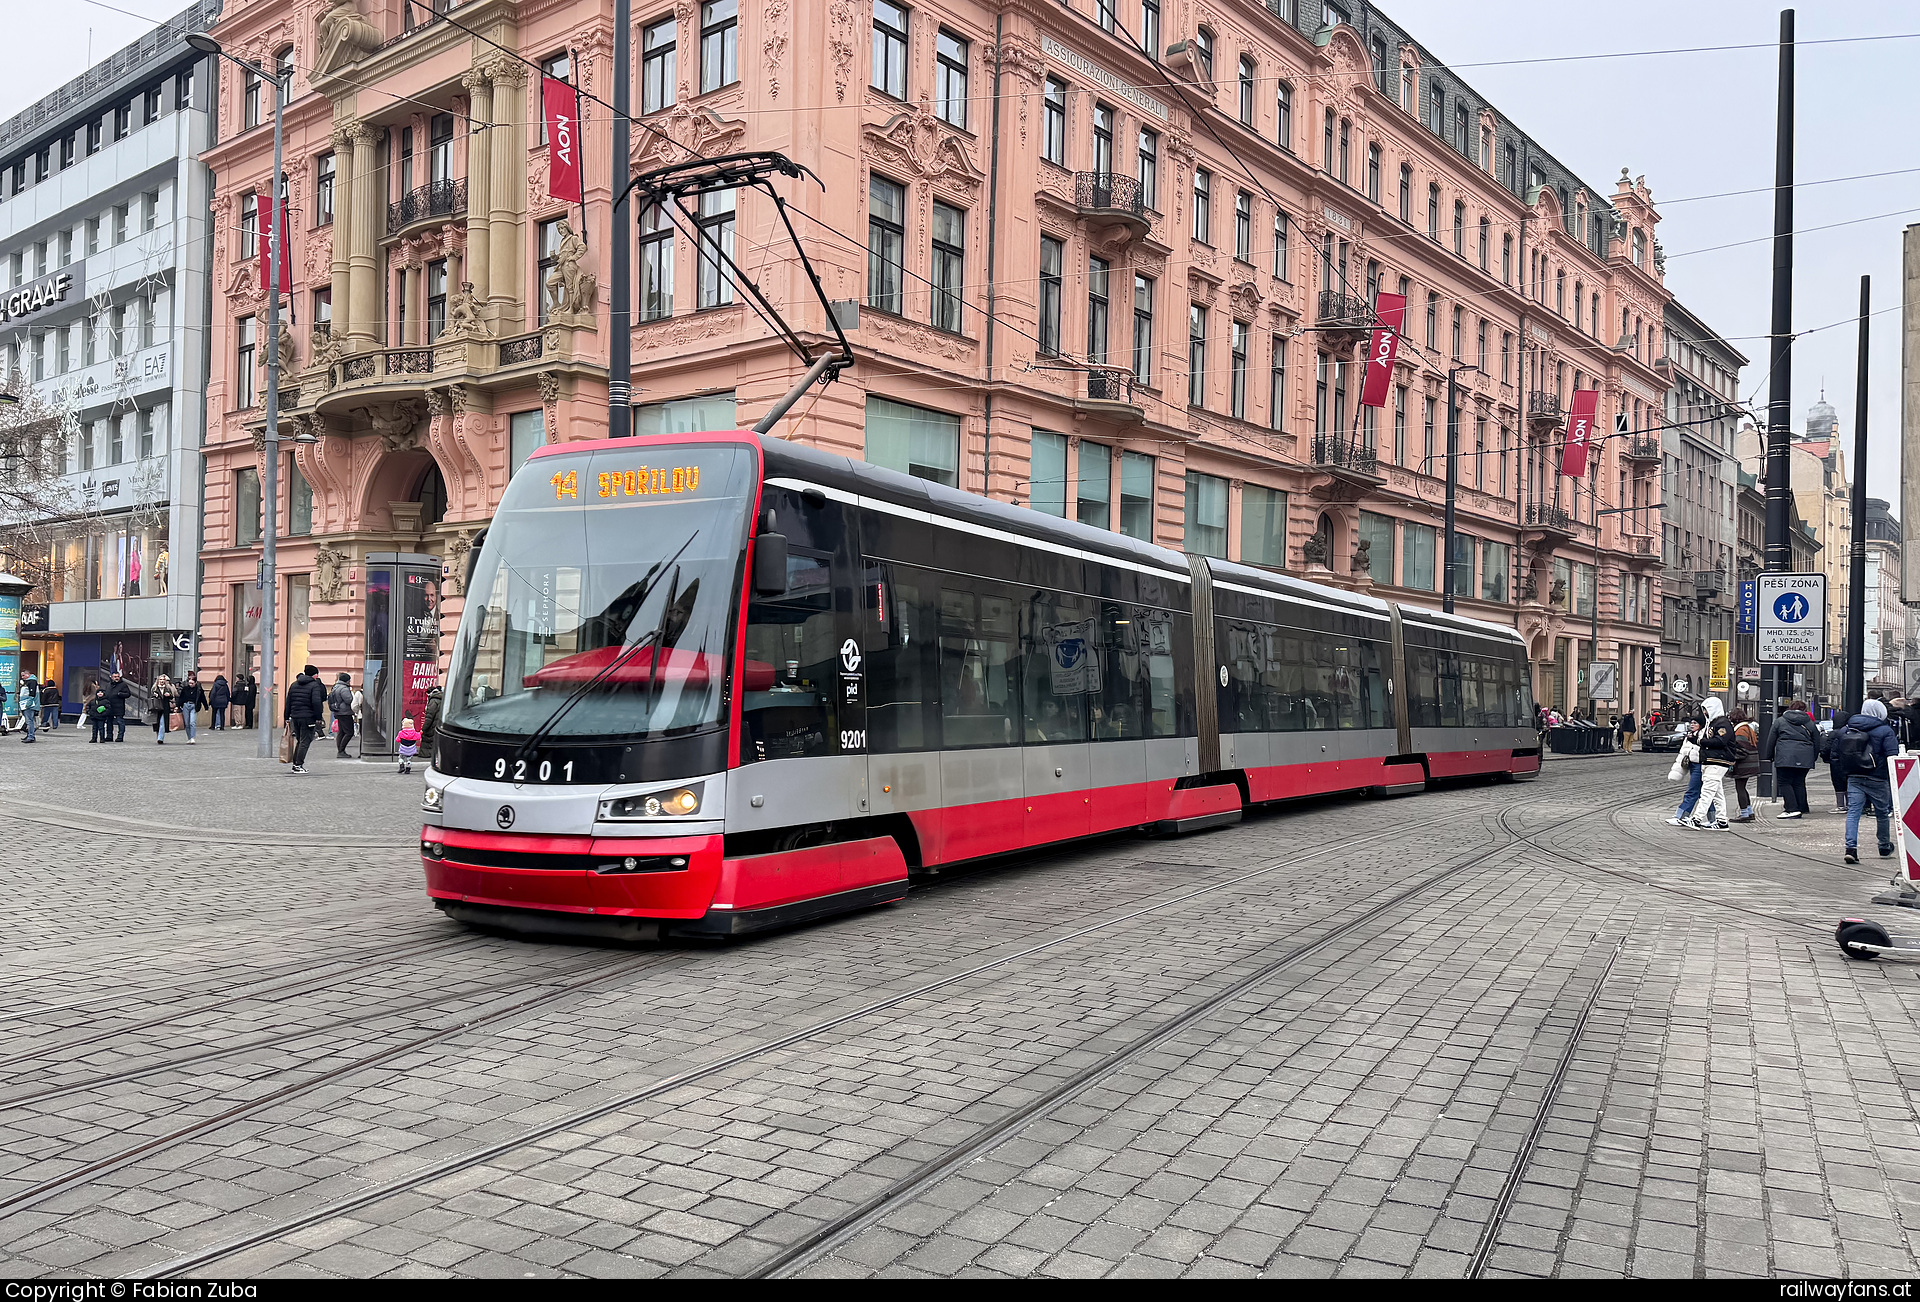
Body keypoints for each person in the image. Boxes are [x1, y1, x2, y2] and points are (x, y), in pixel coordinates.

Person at [1833, 699, 1900, 864]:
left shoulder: (1846, 729)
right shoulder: (1885, 730)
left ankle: (1851, 848)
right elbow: (1893, 754)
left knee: (1853, 813)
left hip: (1854, 776)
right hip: (1878, 777)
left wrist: (1844, 773)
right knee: (1882, 813)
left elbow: (1835, 754)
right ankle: (1884, 845)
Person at [1764, 699, 1820, 819]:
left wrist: (1769, 756)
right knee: (1799, 782)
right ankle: (1802, 807)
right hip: (1805, 756)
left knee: (1785, 782)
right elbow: (1817, 741)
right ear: (1804, 710)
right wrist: (1813, 757)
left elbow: (1771, 740)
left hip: (1785, 756)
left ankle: (1791, 808)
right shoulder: (1809, 723)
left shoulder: (1780, 721)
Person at [1690, 697, 1737, 830]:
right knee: (1716, 792)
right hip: (1712, 760)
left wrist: (1700, 742)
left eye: (1706, 710)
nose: (1704, 713)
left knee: (1707, 791)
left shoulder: (1722, 723)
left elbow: (1719, 741)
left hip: (1718, 760)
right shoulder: (1714, 723)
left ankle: (1696, 819)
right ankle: (1722, 821)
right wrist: (1694, 740)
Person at [283, 663, 328, 773]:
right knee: (305, 741)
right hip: (308, 717)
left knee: (300, 740)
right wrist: (318, 717)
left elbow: (288, 702)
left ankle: (296, 764)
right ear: (315, 675)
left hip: (295, 716)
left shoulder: (294, 684)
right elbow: (316, 702)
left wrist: (286, 716)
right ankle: (298, 765)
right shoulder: (314, 685)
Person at [1667, 712, 1705, 827]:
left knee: (1692, 791)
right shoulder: (1690, 735)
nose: (1692, 725)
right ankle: (1714, 818)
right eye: (1691, 723)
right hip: (1693, 765)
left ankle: (1681, 816)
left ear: (1701, 725)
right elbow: (1683, 752)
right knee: (1704, 793)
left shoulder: (1702, 736)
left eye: (1695, 723)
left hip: (1700, 765)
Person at [1728, 707, 1761, 822]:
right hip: (1750, 762)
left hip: (1744, 764)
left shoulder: (1740, 730)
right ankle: (1749, 811)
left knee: (1740, 788)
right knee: (1742, 787)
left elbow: (1741, 748)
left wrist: (1732, 758)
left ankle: (1744, 814)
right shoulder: (1747, 727)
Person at [328, 673, 360, 758]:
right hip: (345, 712)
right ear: (346, 680)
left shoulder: (335, 687)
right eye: (349, 680)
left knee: (341, 732)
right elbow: (349, 700)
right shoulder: (344, 689)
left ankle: (341, 751)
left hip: (338, 712)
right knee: (349, 732)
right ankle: (341, 750)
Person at [177, 672, 206, 743]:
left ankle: (193, 738)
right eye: (189, 683)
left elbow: (202, 698)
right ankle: (189, 738)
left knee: (192, 722)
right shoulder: (185, 688)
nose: (190, 684)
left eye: (192, 683)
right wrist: (178, 706)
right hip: (186, 705)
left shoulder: (198, 689)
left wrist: (206, 706)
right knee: (186, 723)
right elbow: (181, 698)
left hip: (194, 706)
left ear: (195, 683)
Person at [149, 673, 178, 744]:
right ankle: (158, 736)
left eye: (163, 680)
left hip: (165, 707)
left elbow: (172, 696)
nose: (162, 681)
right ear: (158, 680)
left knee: (162, 723)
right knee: (157, 723)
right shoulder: (155, 688)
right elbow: (151, 696)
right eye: (160, 679)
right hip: (156, 707)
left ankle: (160, 738)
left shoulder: (167, 688)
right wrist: (155, 695)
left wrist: (169, 695)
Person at [104, 671, 132, 742]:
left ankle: (120, 736)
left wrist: (120, 694)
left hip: (119, 707)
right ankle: (109, 736)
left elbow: (128, 694)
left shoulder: (123, 685)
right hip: (109, 706)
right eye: (115, 677)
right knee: (109, 722)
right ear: (112, 677)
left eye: (118, 676)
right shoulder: (108, 685)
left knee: (120, 721)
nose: (116, 678)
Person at [16, 674, 39, 743]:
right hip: (28, 705)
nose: (22, 677)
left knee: (29, 721)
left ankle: (31, 736)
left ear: (27, 674)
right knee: (29, 721)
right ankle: (30, 735)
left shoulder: (31, 681)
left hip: (28, 706)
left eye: (23, 675)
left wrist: (27, 704)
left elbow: (32, 694)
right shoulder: (31, 682)